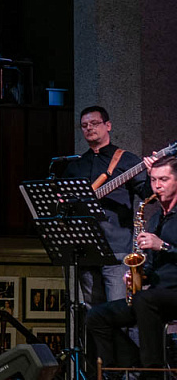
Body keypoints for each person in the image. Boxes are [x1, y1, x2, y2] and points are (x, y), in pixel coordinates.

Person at [85, 154, 177, 378]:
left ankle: (151, 373)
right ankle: (123, 367)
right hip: (155, 298)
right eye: (154, 179)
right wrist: (139, 275)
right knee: (96, 315)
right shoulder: (155, 219)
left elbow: (164, 250)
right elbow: (154, 268)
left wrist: (163, 246)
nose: (157, 185)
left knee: (144, 300)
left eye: (163, 179)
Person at [62, 106, 147, 306]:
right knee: (93, 316)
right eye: (84, 125)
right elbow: (63, 204)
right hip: (86, 249)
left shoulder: (127, 160)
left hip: (117, 249)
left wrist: (153, 173)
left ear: (107, 126)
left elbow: (147, 193)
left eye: (94, 123)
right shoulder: (76, 166)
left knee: (118, 312)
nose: (89, 128)